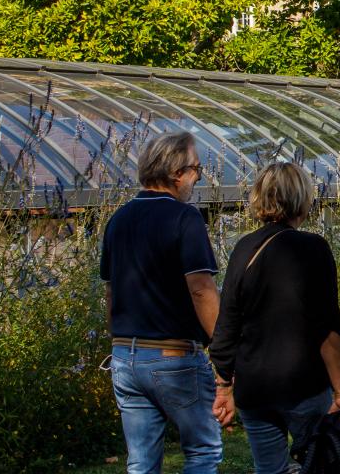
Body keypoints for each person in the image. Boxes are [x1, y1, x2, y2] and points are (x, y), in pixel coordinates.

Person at [210, 162, 340, 474]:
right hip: (303, 384)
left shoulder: (244, 248)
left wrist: (223, 386)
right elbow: (328, 329)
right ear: (302, 198)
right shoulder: (313, 248)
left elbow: (227, 323)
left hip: (254, 388)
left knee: (269, 470)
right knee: (322, 464)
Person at [102, 132, 223, 474]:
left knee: (141, 460)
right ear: (176, 173)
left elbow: (110, 293)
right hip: (173, 355)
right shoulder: (185, 218)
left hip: (125, 355)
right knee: (203, 450)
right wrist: (223, 346)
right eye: (196, 169)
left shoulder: (118, 220)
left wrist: (121, 338)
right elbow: (201, 289)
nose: (198, 178)